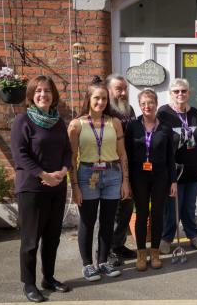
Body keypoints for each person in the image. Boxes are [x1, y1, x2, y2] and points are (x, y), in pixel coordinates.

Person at [11, 76, 72, 303]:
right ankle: (28, 283)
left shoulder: (58, 122)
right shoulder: (22, 121)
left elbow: (67, 150)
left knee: (52, 237)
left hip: (57, 187)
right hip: (32, 188)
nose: (43, 95)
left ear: (53, 95)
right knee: (30, 240)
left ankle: (48, 277)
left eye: (47, 90)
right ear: (31, 95)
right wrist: (43, 174)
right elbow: (20, 155)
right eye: (38, 91)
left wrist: (63, 171)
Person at [68, 77, 130, 281]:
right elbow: (71, 158)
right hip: (88, 175)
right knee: (87, 221)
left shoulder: (115, 123)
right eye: (97, 98)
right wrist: (74, 186)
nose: (101, 102)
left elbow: (122, 154)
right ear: (88, 99)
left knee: (107, 220)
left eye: (104, 98)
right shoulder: (77, 125)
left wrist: (125, 180)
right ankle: (87, 265)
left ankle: (102, 262)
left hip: (113, 174)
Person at [126, 89, 177, 271]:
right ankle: (141, 253)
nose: (147, 106)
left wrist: (173, 181)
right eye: (143, 103)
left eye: (151, 103)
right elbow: (127, 155)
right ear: (140, 106)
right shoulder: (132, 126)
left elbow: (171, 156)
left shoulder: (165, 127)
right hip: (139, 176)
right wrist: (127, 180)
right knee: (141, 214)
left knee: (157, 214)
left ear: (156, 104)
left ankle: (154, 252)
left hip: (160, 176)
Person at [157, 78, 197, 254]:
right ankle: (166, 238)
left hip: (194, 170)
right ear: (171, 94)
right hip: (174, 172)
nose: (180, 94)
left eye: (184, 91)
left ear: (189, 92)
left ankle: (193, 236)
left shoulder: (194, 113)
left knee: (189, 207)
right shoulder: (163, 113)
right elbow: (159, 142)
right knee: (172, 208)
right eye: (176, 91)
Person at [106, 74, 137, 261]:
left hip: (129, 167)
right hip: (110, 168)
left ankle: (118, 245)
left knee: (126, 208)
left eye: (125, 88)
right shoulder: (106, 111)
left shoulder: (129, 110)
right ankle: (106, 250)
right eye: (119, 89)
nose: (123, 92)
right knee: (111, 211)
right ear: (109, 90)